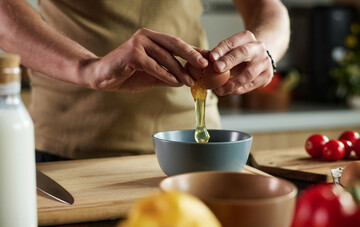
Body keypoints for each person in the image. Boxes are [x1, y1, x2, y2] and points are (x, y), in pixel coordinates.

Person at [0, 0, 290, 162]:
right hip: (70, 148)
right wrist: (88, 68)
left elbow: (269, 8)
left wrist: (265, 49)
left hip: (196, 145)